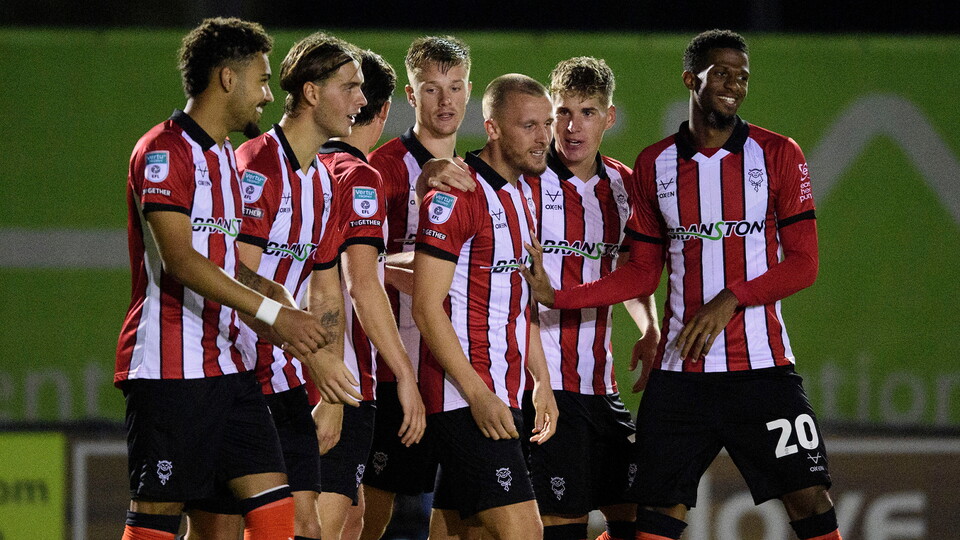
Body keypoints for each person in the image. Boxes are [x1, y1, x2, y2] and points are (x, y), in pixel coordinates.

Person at [523, 30, 842, 540]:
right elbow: (641, 273)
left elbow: (804, 264)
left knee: (811, 500)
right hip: (680, 377)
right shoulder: (655, 164)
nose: (733, 85)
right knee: (654, 516)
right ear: (692, 79)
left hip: (761, 371)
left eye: (742, 75)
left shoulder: (779, 154)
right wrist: (559, 298)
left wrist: (731, 297)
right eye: (722, 73)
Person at [115, 18, 353, 540]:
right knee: (157, 519)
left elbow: (227, 263)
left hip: (231, 364)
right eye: (263, 81)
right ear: (227, 78)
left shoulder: (223, 158)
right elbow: (180, 260)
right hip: (169, 369)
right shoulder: (163, 151)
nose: (269, 96)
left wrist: (278, 300)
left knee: (278, 518)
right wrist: (271, 313)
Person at [179, 31, 367, 540]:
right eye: (349, 87)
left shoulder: (324, 180)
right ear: (311, 92)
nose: (361, 100)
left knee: (302, 527)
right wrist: (314, 354)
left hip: (286, 379)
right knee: (217, 532)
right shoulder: (256, 166)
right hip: (233, 373)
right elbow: (234, 272)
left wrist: (330, 388)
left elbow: (326, 288)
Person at [412, 73, 559, 540]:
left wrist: (542, 380)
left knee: (463, 533)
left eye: (547, 124)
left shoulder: (525, 192)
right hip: (464, 396)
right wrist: (476, 393)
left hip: (504, 391)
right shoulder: (457, 192)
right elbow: (425, 306)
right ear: (492, 128)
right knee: (524, 533)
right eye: (529, 126)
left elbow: (517, 303)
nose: (543, 138)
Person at [521, 56, 659, 540]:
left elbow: (630, 272)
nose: (573, 126)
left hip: (600, 388)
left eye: (587, 112)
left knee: (641, 521)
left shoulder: (623, 187)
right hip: (542, 385)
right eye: (563, 112)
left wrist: (648, 326)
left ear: (610, 117)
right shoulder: (525, 182)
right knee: (563, 526)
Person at [362, 34, 472, 539]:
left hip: (459, 370)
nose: (444, 101)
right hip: (391, 370)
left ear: (469, 91)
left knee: (457, 510)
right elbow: (355, 270)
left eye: (454, 87)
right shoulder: (380, 169)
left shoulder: (478, 176)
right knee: (368, 514)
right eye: (431, 89)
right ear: (411, 95)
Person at [316, 48, 426, 540]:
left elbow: (355, 270)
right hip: (338, 376)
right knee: (318, 524)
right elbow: (359, 283)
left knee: (354, 518)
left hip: (273, 367)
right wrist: (404, 373)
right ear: (382, 111)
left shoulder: (291, 164)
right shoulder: (360, 176)